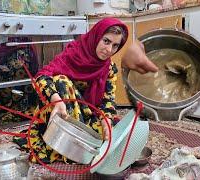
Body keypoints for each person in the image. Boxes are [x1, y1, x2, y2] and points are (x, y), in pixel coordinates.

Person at [13, 17, 129, 164]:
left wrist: (106, 121)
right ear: (96, 37)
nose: (109, 50)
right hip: (61, 114)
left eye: (115, 46)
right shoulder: (74, 53)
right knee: (60, 80)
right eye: (106, 41)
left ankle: (76, 143)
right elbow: (41, 78)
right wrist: (57, 101)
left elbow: (108, 101)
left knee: (115, 134)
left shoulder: (109, 67)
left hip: (86, 115)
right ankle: (64, 145)